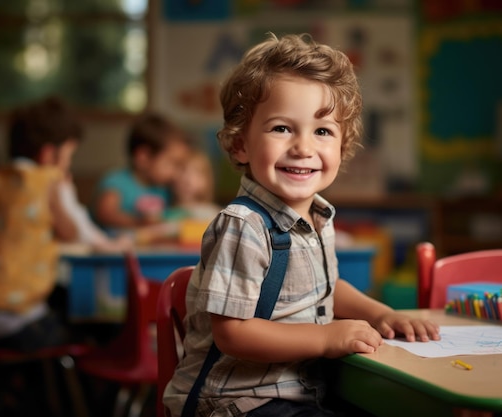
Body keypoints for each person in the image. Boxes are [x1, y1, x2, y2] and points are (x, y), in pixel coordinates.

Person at [163, 33, 441, 417]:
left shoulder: (318, 218)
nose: (303, 147)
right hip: (240, 401)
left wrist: (380, 313)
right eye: (281, 128)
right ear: (241, 144)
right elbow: (233, 333)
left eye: (322, 131)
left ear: (342, 150)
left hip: (305, 390)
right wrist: (326, 338)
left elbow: (325, 289)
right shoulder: (243, 225)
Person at [0, 96, 80, 352]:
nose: (68, 164)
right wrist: (66, 190)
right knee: (84, 328)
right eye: (69, 156)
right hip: (20, 322)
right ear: (49, 153)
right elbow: (70, 233)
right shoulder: (46, 181)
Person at [92, 112, 191, 233]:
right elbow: (105, 213)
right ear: (143, 158)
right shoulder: (117, 181)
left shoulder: (163, 189)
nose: (176, 173)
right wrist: (138, 223)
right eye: (172, 163)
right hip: (113, 248)